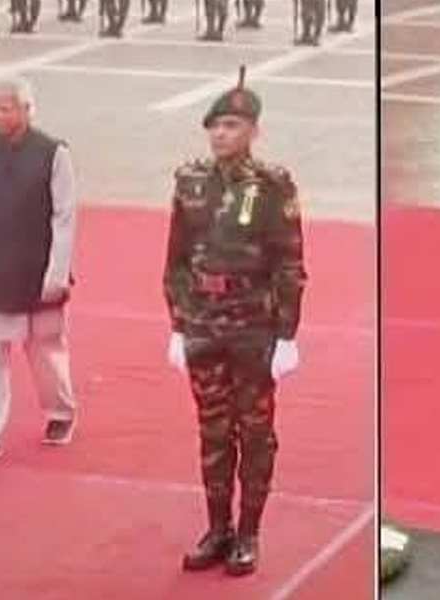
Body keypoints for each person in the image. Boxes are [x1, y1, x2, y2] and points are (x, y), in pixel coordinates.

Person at [163, 66, 307, 575]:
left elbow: (289, 262)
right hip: (203, 325)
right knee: (213, 432)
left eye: (232, 125)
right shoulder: (189, 180)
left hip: (252, 329)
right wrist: (178, 325)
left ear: (253, 132)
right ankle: (217, 528)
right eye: (216, 125)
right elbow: (176, 259)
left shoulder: (270, 185)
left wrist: (287, 334)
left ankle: (249, 532)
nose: (222, 134)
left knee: (256, 432)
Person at [0, 75, 78, 471]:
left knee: (45, 352)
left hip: (38, 268)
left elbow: (65, 216)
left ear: (26, 109)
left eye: (6, 107)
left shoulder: (53, 153)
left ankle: (60, 410)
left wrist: (57, 273)